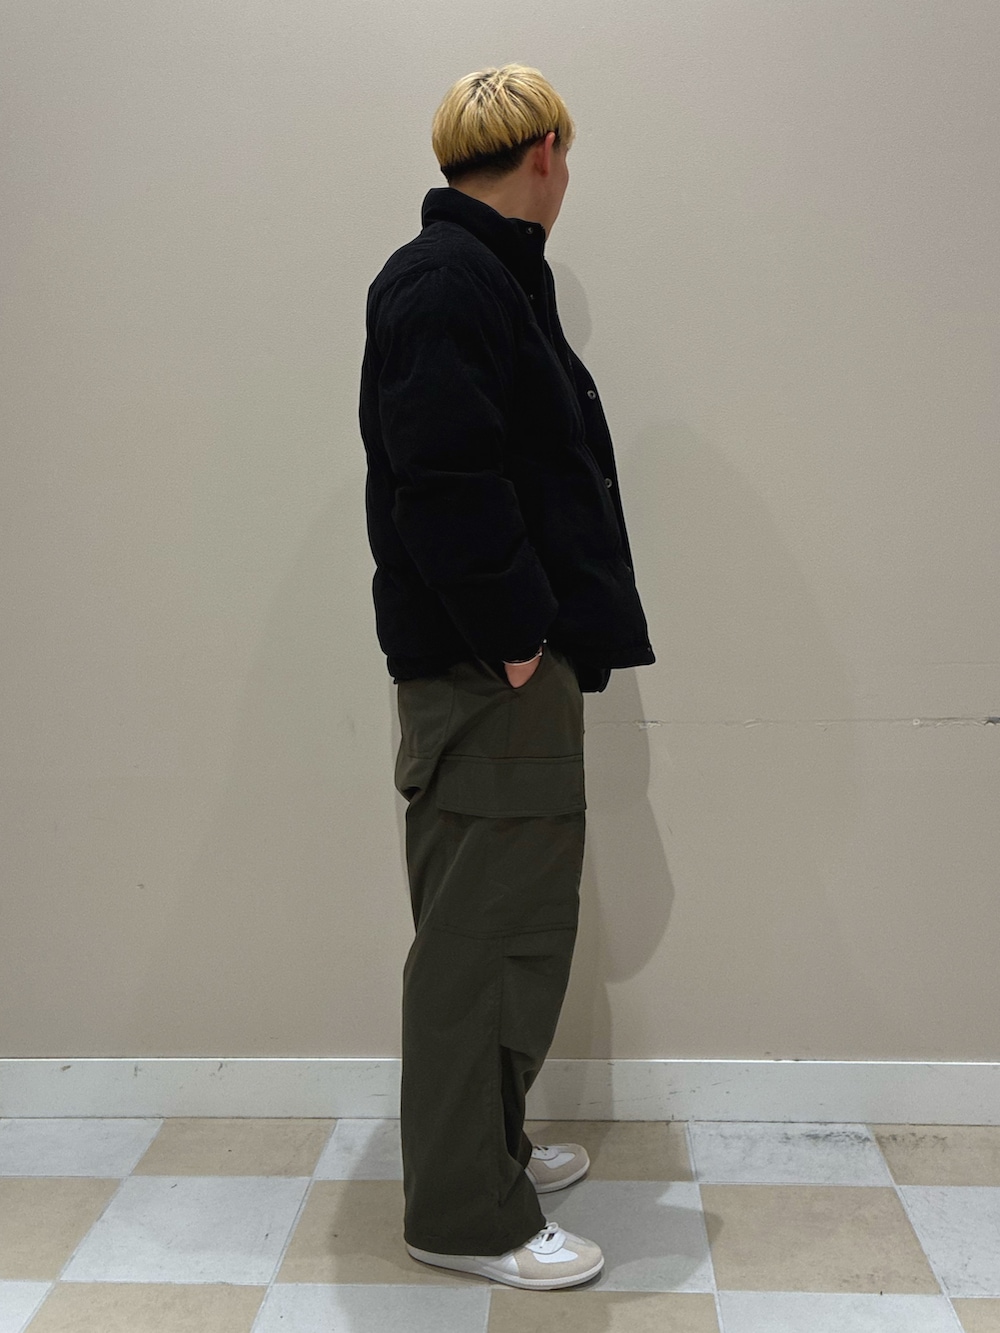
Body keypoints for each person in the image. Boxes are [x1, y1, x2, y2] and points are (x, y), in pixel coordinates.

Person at [358, 64, 655, 1291]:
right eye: (565, 155)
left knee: (516, 932)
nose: (567, 175)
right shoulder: (446, 282)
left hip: (505, 671)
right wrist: (518, 633)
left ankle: (491, 1149)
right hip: (488, 674)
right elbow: (442, 477)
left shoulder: (489, 277)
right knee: (480, 945)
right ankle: (464, 1212)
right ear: (543, 153)